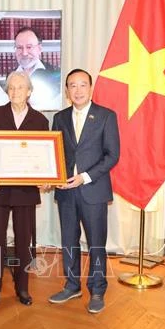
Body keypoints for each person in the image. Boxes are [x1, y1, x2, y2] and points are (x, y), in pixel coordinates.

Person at [48, 68, 120, 314]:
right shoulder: (59, 117)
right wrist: (52, 177)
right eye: (72, 86)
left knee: (96, 243)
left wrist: (84, 177)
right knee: (69, 241)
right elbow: (53, 152)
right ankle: (71, 285)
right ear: (67, 91)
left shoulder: (106, 116)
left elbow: (113, 155)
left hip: (93, 190)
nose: (77, 90)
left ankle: (97, 289)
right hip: (66, 191)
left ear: (91, 88)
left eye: (82, 85)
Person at [0, 71, 49, 307]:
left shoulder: (40, 121)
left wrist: (46, 176)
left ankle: (23, 287)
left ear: (29, 91)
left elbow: (44, 156)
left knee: (23, 243)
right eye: (11, 88)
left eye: (20, 87)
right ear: (7, 91)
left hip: (25, 192)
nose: (15, 91)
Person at [13, 26, 61, 110]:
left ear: (39, 48)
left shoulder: (56, 74)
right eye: (19, 48)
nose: (24, 53)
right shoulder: (10, 76)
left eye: (29, 47)